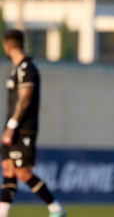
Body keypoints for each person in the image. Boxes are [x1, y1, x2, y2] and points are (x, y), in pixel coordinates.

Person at [0, 30, 66, 217]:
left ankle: (56, 208)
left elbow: (25, 98)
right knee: (7, 168)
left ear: (8, 46)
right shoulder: (16, 68)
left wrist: (11, 126)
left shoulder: (27, 67)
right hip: (11, 126)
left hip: (23, 128)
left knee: (21, 172)